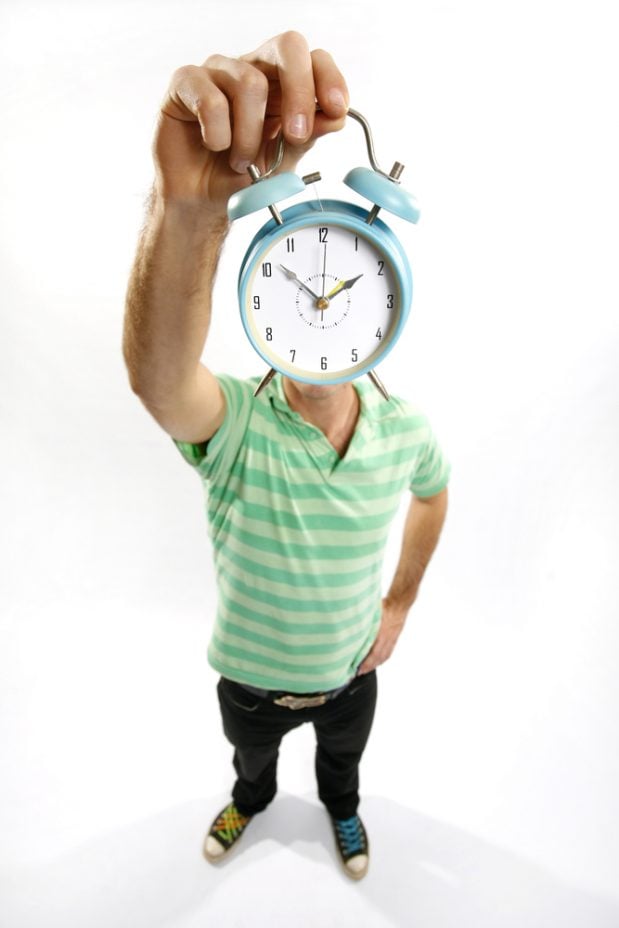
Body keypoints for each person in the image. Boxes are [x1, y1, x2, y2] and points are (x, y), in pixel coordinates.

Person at [122, 31, 450, 881]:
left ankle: (342, 810)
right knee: (251, 763)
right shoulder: (236, 424)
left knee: (342, 767)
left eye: (346, 292)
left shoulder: (405, 429)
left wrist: (399, 603)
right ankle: (252, 798)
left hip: (350, 676)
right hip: (248, 684)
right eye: (304, 290)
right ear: (263, 303)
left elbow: (433, 492)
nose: (324, 309)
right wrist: (190, 214)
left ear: (384, 302)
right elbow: (159, 381)